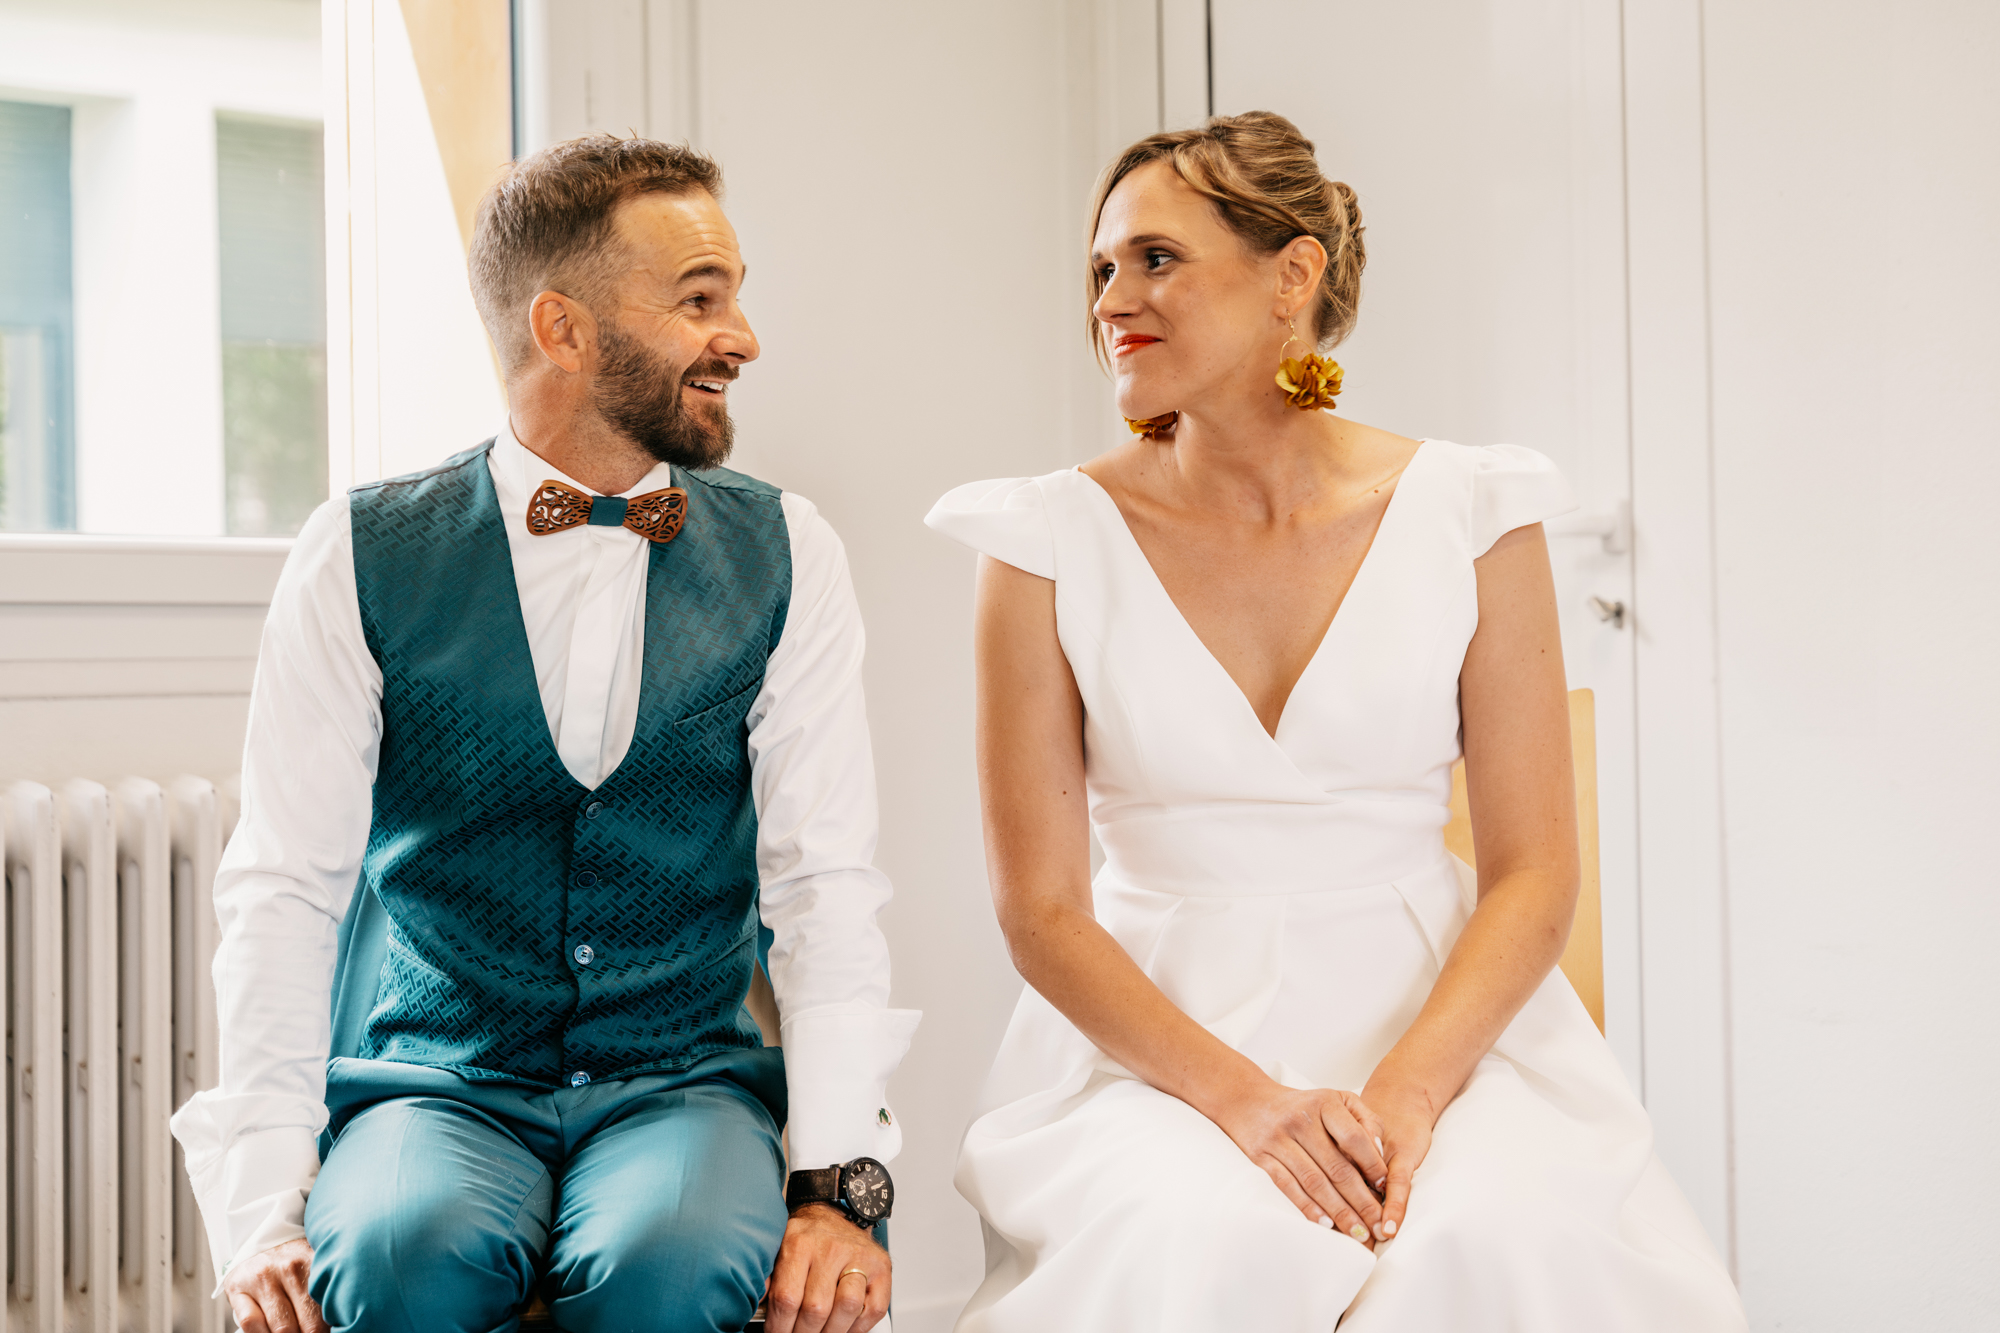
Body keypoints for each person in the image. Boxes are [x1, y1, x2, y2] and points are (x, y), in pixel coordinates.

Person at [924, 112, 1748, 1331]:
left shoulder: (1475, 511)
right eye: (1100, 268)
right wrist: (1249, 1105)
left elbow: (1534, 871)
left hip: (1438, 1026)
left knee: (1483, 1238)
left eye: (1155, 258)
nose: (1110, 299)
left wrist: (1408, 1095)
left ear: (1291, 276)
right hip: (1158, 1046)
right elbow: (1040, 912)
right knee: (1208, 1244)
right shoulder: (1039, 541)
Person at [171, 135, 919, 1333]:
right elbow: (284, 888)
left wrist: (838, 1185)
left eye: (734, 295)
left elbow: (822, 886)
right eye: (699, 299)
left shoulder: (791, 551)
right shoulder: (357, 551)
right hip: (435, 1079)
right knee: (397, 1261)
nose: (742, 337)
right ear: (562, 329)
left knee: (668, 1266)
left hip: (681, 1079)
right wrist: (264, 1200)